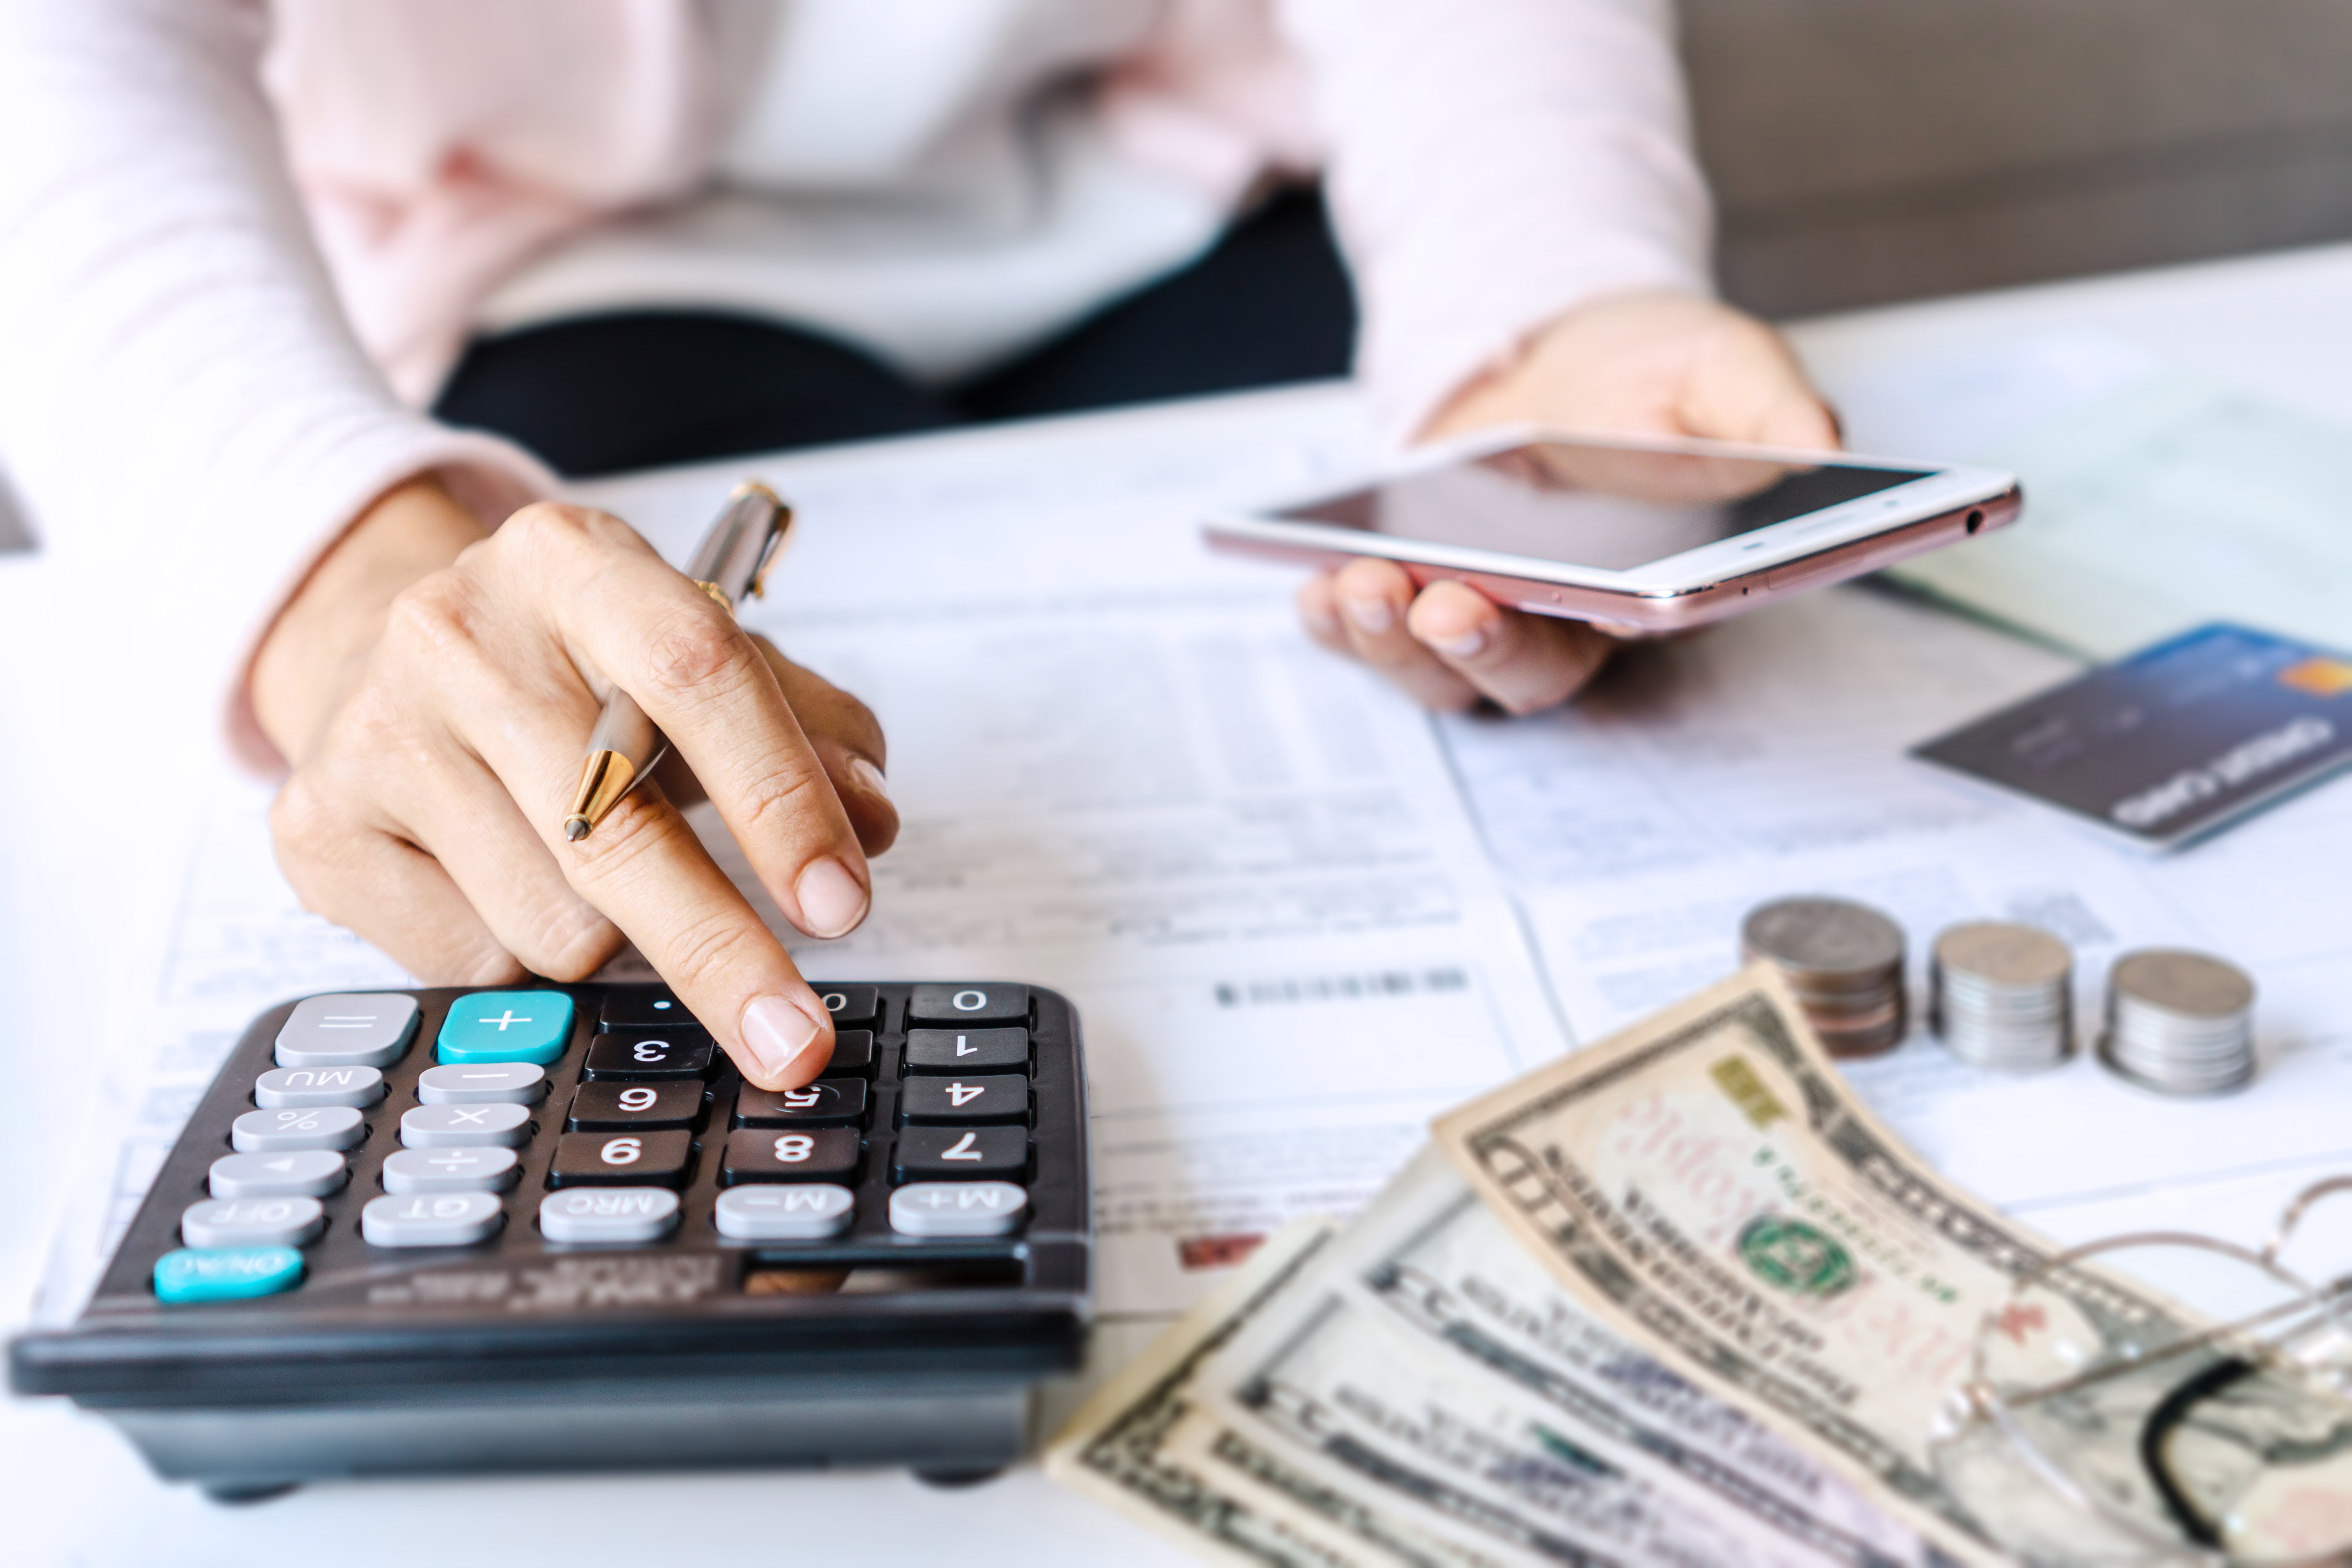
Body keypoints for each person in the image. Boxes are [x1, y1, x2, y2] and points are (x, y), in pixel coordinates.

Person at [0, 0, 1835, 1094]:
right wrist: (328, 560)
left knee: (1473, 629)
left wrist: (1553, 294)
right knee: (603, 804)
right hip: (544, 260)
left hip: (1184, 162)